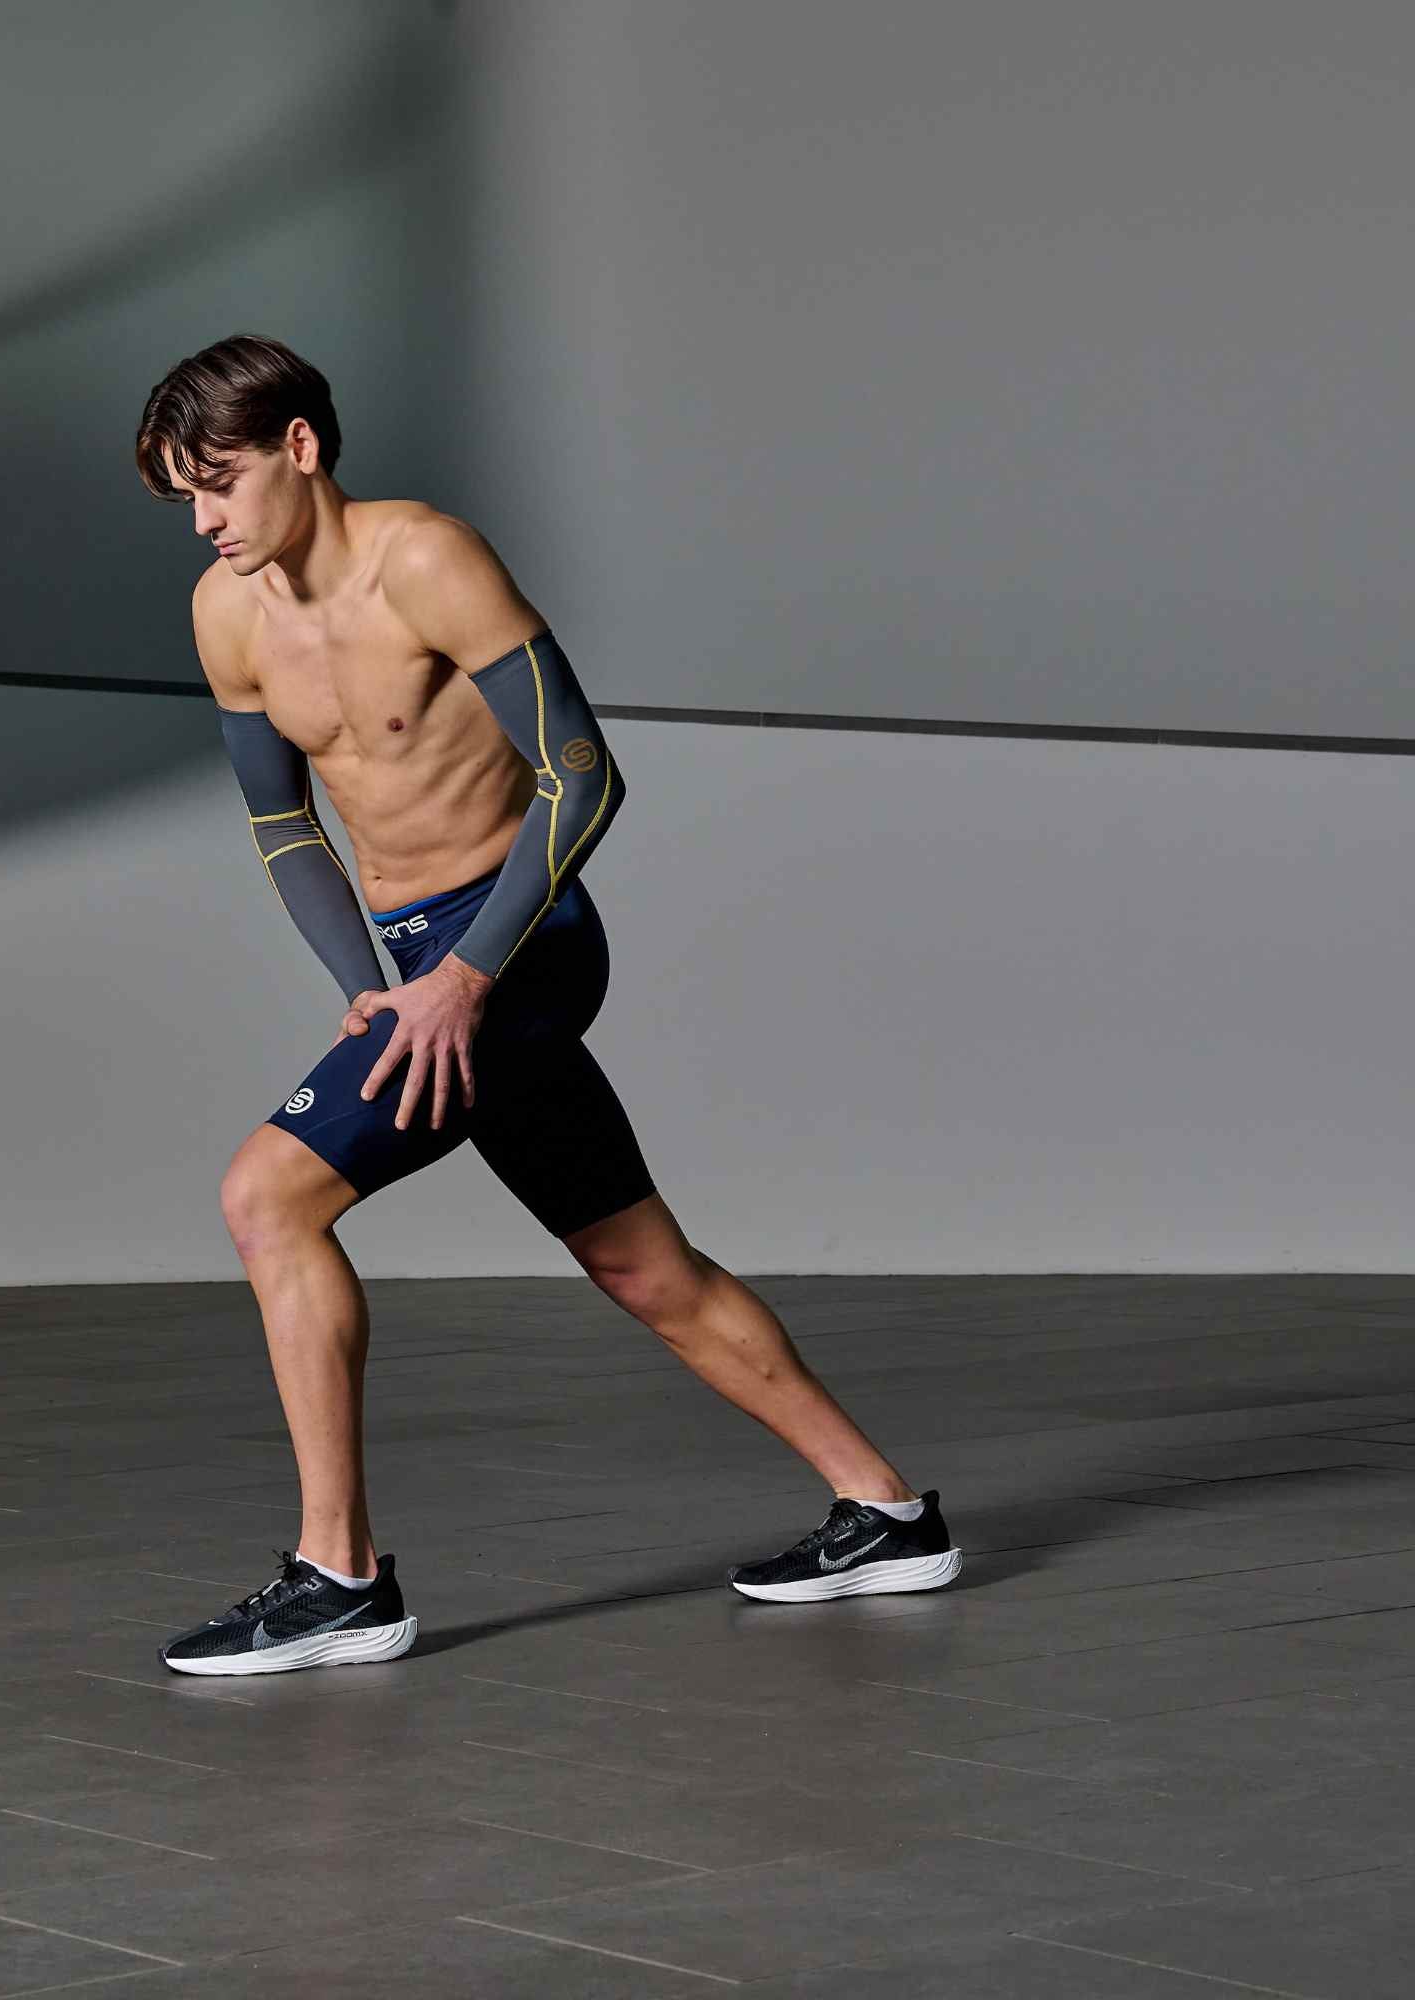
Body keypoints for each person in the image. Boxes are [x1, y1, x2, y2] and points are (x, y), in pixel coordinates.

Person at [133, 334, 961, 1676]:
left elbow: (582, 774)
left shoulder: (426, 560)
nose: (205, 523)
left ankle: (340, 1580)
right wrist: (371, 992)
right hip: (418, 971)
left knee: (267, 1199)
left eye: (219, 484)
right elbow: (285, 828)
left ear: (301, 447)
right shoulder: (225, 615)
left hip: (525, 939)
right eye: (184, 498)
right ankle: (888, 1513)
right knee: (642, 1265)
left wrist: (463, 981)